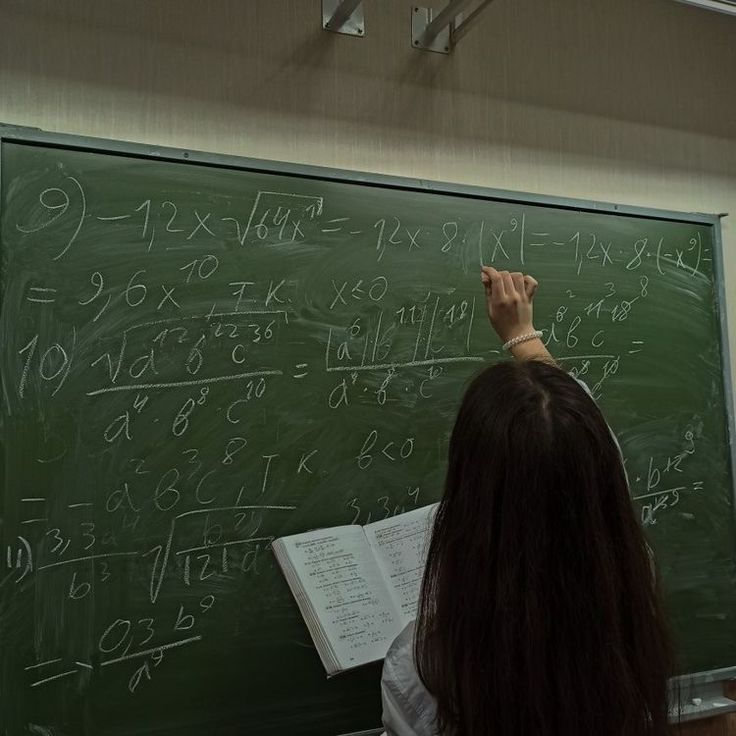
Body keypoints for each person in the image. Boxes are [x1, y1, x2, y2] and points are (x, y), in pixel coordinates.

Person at [380, 267, 675, 736]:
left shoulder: (423, 663)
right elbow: (589, 456)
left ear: (471, 499)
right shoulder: (630, 605)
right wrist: (524, 338)